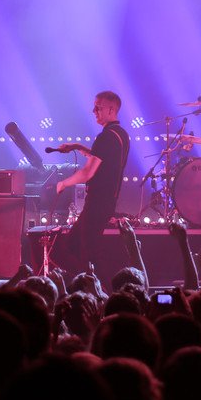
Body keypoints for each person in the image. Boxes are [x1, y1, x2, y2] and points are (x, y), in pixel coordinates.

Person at [52, 92, 130, 273]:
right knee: (74, 246)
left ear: (111, 109)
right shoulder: (120, 134)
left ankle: (97, 285)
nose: (94, 111)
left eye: (98, 107)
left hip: (97, 202)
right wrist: (77, 147)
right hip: (106, 202)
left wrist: (64, 183)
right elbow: (103, 159)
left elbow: (87, 172)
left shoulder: (106, 136)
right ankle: (87, 283)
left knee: (85, 252)